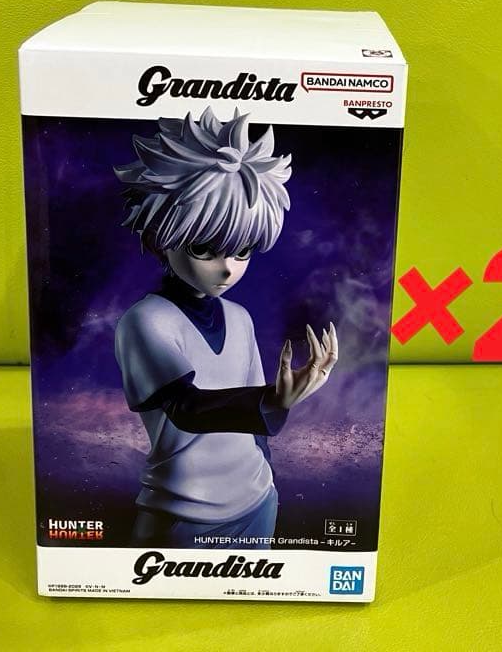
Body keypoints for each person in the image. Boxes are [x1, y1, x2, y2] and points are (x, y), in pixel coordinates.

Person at [113, 106, 338, 548]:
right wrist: (273, 399)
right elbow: (188, 408)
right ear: (161, 238)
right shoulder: (146, 321)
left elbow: (252, 428)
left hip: (258, 501)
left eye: (242, 251)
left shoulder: (239, 317)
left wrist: (268, 457)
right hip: (181, 514)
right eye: (205, 248)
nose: (228, 268)